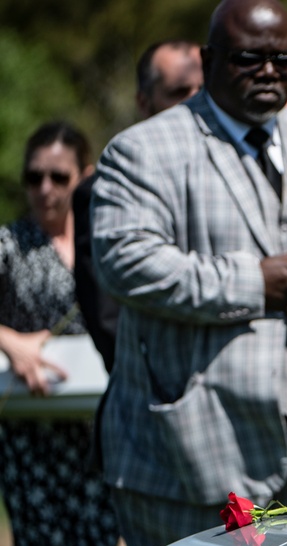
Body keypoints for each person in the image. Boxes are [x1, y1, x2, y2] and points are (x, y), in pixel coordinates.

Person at [90, 0, 287, 546]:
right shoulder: (145, 149)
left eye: (285, 60)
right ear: (209, 60)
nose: (268, 72)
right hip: (188, 455)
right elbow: (125, 260)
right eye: (248, 59)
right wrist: (255, 284)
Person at [0, 122, 119, 546]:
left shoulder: (107, 243)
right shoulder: (9, 244)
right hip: (33, 434)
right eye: (33, 177)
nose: (44, 188)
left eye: (58, 176)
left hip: (98, 433)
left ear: (84, 176)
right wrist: (11, 344)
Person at [74, 39, 204, 372]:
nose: (195, 102)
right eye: (178, 92)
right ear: (144, 103)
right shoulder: (105, 189)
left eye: (202, 90)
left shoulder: (239, 178)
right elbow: (108, 320)